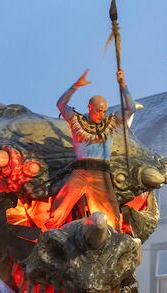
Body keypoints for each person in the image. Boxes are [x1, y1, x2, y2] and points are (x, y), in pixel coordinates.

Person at [50, 67, 137, 230]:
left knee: (112, 216)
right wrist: (75, 86)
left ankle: (113, 241)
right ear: (90, 107)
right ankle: (48, 237)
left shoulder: (110, 122)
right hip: (80, 172)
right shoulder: (77, 120)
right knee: (59, 208)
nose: (102, 114)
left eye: (104, 110)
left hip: (101, 174)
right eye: (99, 110)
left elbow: (130, 108)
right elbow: (60, 104)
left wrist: (123, 84)